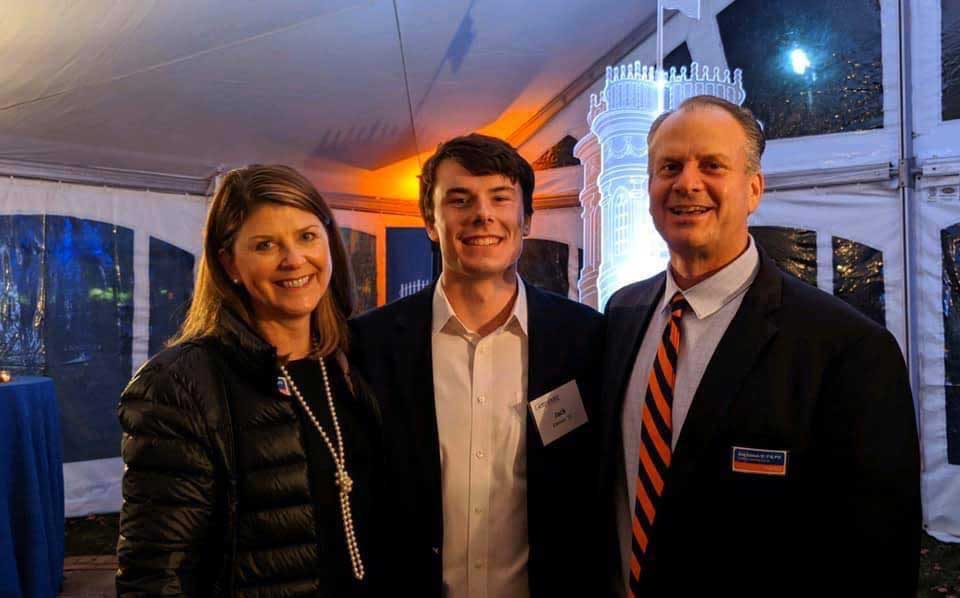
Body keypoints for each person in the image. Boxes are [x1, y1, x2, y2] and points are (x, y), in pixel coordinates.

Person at [599, 95, 921, 597]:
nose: (687, 183)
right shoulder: (621, 314)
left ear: (753, 189)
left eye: (712, 165)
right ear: (649, 187)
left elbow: (877, 556)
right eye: (670, 166)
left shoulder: (847, 348)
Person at [350, 133, 605, 597]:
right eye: (459, 199)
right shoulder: (369, 345)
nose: (481, 215)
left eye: (500, 198)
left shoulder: (586, 340)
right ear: (431, 221)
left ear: (526, 218)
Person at [116, 165, 382, 596]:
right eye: (265, 245)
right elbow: (155, 576)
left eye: (307, 236)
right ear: (229, 264)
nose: (293, 259)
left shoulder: (361, 360)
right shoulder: (181, 385)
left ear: (330, 243)